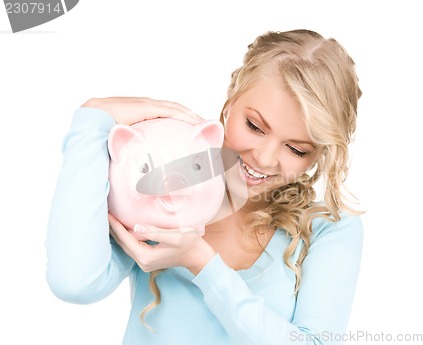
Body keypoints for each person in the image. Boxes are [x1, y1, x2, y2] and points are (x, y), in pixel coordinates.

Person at [46, 29, 364, 344]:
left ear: (321, 153)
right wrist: (94, 119)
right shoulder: (168, 191)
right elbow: (74, 282)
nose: (265, 159)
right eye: (254, 126)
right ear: (231, 101)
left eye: (296, 149)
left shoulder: (328, 230)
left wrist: (201, 262)